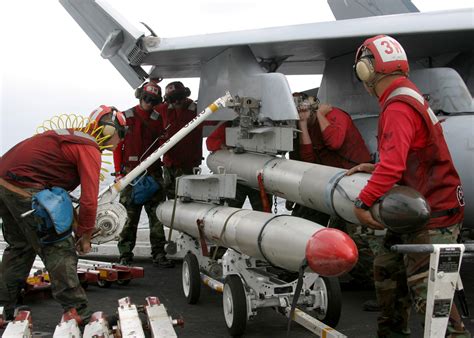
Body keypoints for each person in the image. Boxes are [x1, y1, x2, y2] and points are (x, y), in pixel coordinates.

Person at [350, 34, 469, 337]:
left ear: (367, 70)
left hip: (430, 213)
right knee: (387, 278)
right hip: (415, 208)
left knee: (432, 303)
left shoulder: (398, 106)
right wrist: (377, 167)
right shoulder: (406, 95)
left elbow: (393, 168)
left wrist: (363, 203)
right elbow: (409, 156)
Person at [0, 105, 126, 324]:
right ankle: (77, 311)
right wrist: (85, 235)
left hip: (5, 184)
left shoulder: (71, 136)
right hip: (25, 188)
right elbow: (88, 200)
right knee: (58, 247)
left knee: (20, 248)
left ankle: (2, 308)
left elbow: (57, 191)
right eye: (121, 134)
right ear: (108, 129)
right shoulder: (89, 147)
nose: (120, 141)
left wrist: (78, 225)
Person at [292, 92, 378, 290]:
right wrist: (303, 125)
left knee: (358, 236)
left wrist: (320, 114)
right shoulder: (308, 126)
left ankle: (374, 286)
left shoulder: (336, 116)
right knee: (329, 230)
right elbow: (309, 160)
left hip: (355, 181)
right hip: (334, 183)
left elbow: (335, 142)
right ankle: (360, 279)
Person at [113, 82, 174, 268]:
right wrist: (118, 173)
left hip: (154, 176)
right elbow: (116, 146)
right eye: (146, 98)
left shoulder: (159, 119)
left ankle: (158, 253)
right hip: (130, 176)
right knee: (129, 219)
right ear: (140, 97)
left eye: (153, 100)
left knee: (157, 218)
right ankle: (124, 255)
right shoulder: (124, 117)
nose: (148, 103)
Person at [206, 120, 272, 211]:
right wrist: (224, 146)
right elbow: (210, 142)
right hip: (238, 177)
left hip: (257, 177)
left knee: (263, 214)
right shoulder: (228, 124)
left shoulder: (267, 125)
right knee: (229, 213)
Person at [156, 81, 203, 199]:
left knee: (187, 200)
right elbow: (147, 106)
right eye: (173, 99)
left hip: (187, 165)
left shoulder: (197, 110)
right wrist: (152, 84)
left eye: (179, 98)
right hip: (169, 164)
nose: (177, 102)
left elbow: (215, 120)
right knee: (170, 199)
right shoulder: (163, 109)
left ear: (185, 95)